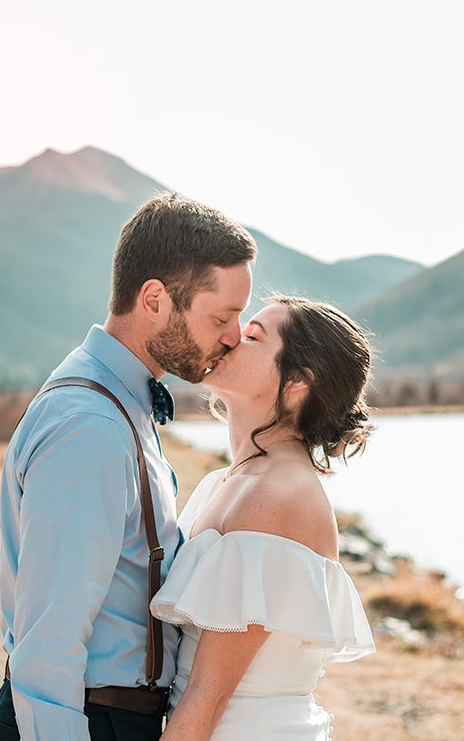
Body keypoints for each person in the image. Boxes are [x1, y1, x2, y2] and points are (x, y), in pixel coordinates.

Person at [0, 192, 258, 741]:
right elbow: (49, 643)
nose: (234, 335)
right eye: (223, 316)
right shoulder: (91, 425)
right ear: (154, 299)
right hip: (83, 719)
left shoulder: (120, 403)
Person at [149, 295, 378, 741]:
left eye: (252, 336)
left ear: (297, 381)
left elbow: (207, 695)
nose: (231, 338)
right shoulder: (223, 482)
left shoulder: (277, 497)